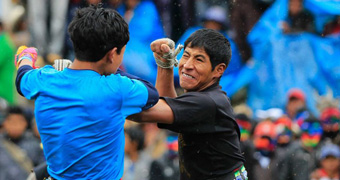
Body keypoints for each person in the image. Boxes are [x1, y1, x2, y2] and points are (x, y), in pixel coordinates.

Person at [15, 4, 159, 180]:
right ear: (112, 54)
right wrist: (114, 70)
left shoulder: (43, 80)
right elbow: (152, 93)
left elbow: (22, 77)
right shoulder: (116, 88)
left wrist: (27, 56)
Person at [128, 28, 247, 180]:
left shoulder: (207, 102)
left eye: (199, 59)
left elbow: (147, 113)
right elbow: (165, 107)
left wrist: (105, 87)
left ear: (219, 70)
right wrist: (165, 63)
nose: (187, 65)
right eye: (186, 55)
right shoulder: (205, 97)